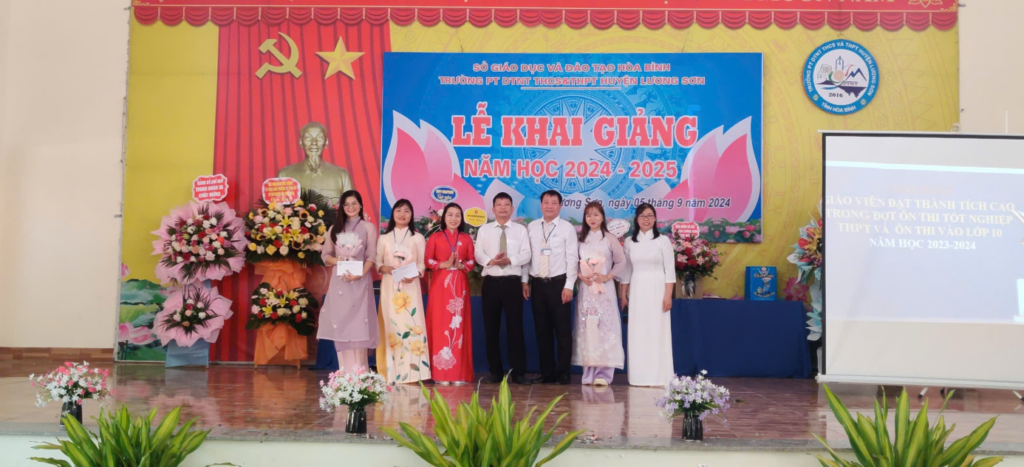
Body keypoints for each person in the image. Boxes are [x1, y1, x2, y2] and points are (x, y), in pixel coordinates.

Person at [475, 193, 532, 385]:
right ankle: (495, 372)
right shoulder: (484, 230)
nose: (502, 207)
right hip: (491, 282)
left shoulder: (520, 230)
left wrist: (510, 260)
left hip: (512, 283)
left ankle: (519, 373)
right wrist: (491, 261)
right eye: (499, 204)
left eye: (506, 204)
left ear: (512, 208)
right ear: (493, 209)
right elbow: (478, 253)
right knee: (491, 329)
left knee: (515, 328)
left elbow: (526, 254)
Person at [318, 190, 378, 371]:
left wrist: (360, 273)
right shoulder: (334, 229)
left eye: (354, 203)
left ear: (360, 205)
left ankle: (360, 373)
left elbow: (371, 256)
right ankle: (344, 374)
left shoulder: (368, 228)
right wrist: (339, 261)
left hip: (360, 282)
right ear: (342, 208)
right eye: (346, 204)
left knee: (360, 325)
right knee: (341, 324)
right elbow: (325, 255)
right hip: (340, 284)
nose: (351, 207)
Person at [523, 190, 579, 385]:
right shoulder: (532, 227)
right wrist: (525, 281)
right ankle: (546, 373)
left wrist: (569, 286)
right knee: (542, 331)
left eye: (554, 203)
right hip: (538, 284)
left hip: (559, 284)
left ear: (560, 206)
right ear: (541, 205)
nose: (549, 206)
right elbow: (527, 256)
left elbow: (572, 258)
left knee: (562, 332)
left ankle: (563, 373)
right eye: (546, 202)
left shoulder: (567, 228)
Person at [619, 203, 676, 387]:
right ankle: (639, 376)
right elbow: (626, 270)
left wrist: (668, 296)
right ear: (636, 219)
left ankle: (660, 376)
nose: (646, 219)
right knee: (638, 331)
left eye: (650, 215)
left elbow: (670, 271)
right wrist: (623, 295)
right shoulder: (630, 242)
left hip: (658, 289)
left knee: (658, 330)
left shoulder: (663, 241)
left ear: (655, 218)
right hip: (637, 289)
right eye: (642, 216)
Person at [376, 199, 430, 384]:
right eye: (398, 210)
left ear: (411, 215)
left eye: (407, 211)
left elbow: (422, 263)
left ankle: (413, 373)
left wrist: (415, 274)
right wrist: (387, 268)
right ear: (393, 214)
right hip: (389, 287)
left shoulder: (417, 238)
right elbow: (377, 263)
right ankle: (389, 372)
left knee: (411, 325)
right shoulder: (384, 238)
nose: (402, 214)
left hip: (410, 287)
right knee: (391, 326)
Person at [572, 201, 627, 386]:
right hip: (586, 291)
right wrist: (581, 276)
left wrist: (608, 276)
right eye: (588, 215)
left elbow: (621, 262)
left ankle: (604, 374)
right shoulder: (580, 240)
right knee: (588, 329)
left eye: (596, 214)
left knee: (606, 328)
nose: (592, 218)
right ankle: (588, 373)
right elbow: (573, 263)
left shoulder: (610, 239)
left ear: (603, 217)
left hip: (605, 290)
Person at [424, 203, 476, 385]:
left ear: (461, 219)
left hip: (459, 286)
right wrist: (443, 264)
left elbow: (472, 261)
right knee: (440, 324)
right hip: (441, 284)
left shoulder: (466, 238)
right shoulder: (435, 237)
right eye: (450, 215)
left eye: (457, 215)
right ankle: (440, 373)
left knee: (458, 325)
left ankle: (459, 373)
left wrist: (461, 265)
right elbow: (428, 260)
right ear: (444, 217)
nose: (454, 218)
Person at [277, 121, 354, 206]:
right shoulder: (284, 175)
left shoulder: (342, 176)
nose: (314, 142)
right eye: (308, 138)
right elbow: (276, 208)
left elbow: (351, 209)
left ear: (326, 142)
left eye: (319, 138)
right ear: (301, 142)